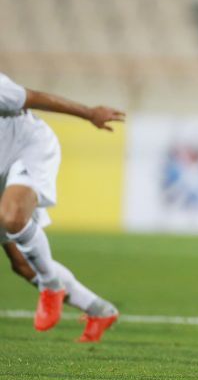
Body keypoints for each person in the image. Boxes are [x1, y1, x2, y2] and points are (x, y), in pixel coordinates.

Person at [1, 72, 124, 342]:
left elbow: (34, 97)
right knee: (21, 264)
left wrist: (90, 113)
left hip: (27, 149)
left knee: (12, 217)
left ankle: (50, 286)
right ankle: (99, 310)